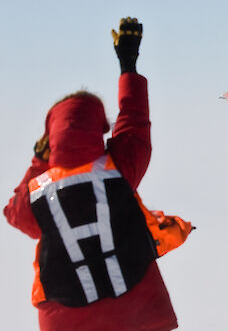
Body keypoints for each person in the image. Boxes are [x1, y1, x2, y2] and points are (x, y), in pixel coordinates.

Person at [4, 18, 183, 331]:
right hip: (139, 314)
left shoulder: (39, 189)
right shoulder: (117, 169)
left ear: (51, 136)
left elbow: (15, 214)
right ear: (99, 127)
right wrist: (128, 65)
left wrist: (38, 160)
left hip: (67, 321)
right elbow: (134, 123)